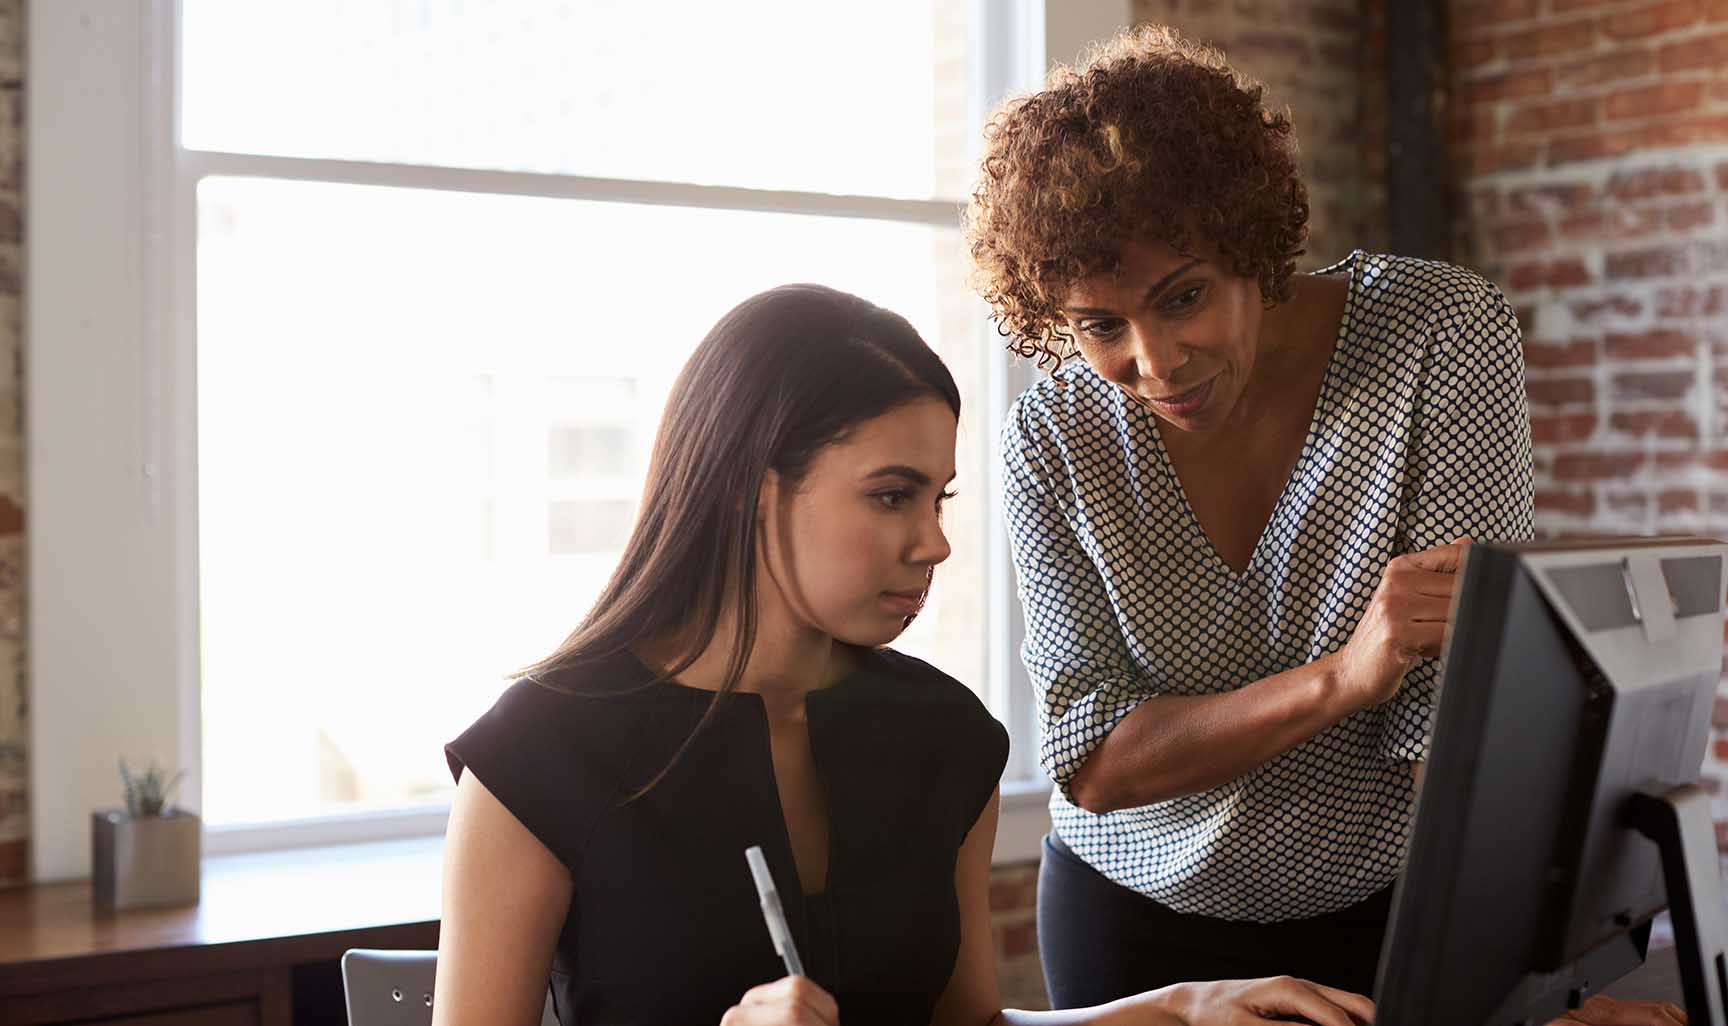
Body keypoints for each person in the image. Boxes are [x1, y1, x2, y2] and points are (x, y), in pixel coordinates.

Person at [432, 284, 1381, 1026]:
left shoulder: (945, 737)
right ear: (748, 493)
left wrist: (1179, 1005)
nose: (934, 543)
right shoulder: (538, 760)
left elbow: (968, 1024)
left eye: (941, 499)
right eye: (892, 495)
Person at [966, 22, 1552, 1005]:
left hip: (1390, 907)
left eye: (1183, 296)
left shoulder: (1439, 334)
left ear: (1252, 243)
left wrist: (1519, 988)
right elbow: (1094, 759)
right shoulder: (1053, 439)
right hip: (1130, 926)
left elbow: (1451, 708)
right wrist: (1344, 678)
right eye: (1102, 326)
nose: (1156, 363)